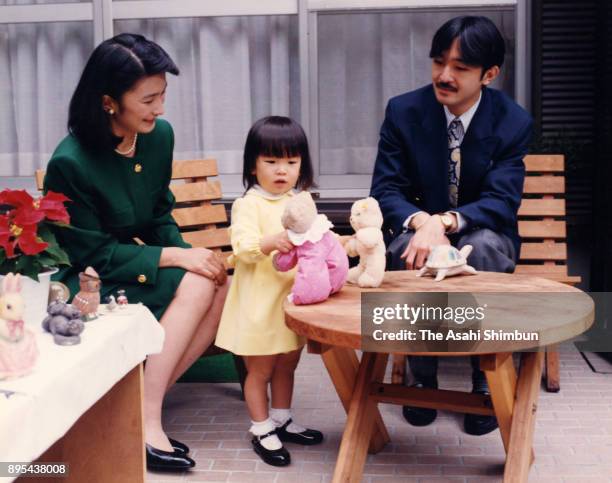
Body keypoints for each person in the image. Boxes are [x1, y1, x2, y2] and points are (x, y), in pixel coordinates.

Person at [43, 33, 229, 471]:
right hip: (90, 281)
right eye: (149, 99)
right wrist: (180, 261)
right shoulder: (70, 162)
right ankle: (146, 423)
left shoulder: (158, 136)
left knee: (218, 284)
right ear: (109, 102)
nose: (160, 109)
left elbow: (158, 214)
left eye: (162, 96)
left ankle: (142, 407)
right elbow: (96, 255)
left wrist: (190, 257)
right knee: (199, 282)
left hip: (134, 267)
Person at [370, 16, 533, 435]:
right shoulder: (403, 111)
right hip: (416, 229)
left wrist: (444, 222)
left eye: (460, 68)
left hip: (481, 231)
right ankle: (423, 377)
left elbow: (501, 201)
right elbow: (386, 189)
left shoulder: (512, 121)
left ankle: (485, 377)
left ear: (489, 74)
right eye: (439, 62)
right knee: (409, 248)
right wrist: (424, 222)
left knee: (482, 246)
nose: (444, 75)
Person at [215, 116, 324, 467]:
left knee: (287, 366)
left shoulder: (300, 201)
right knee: (259, 370)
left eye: (292, 162)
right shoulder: (249, 204)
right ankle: (261, 427)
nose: (282, 171)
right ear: (253, 164)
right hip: (259, 308)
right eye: (272, 161)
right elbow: (242, 248)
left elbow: (315, 242)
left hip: (291, 305)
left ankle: (282, 417)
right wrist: (270, 242)